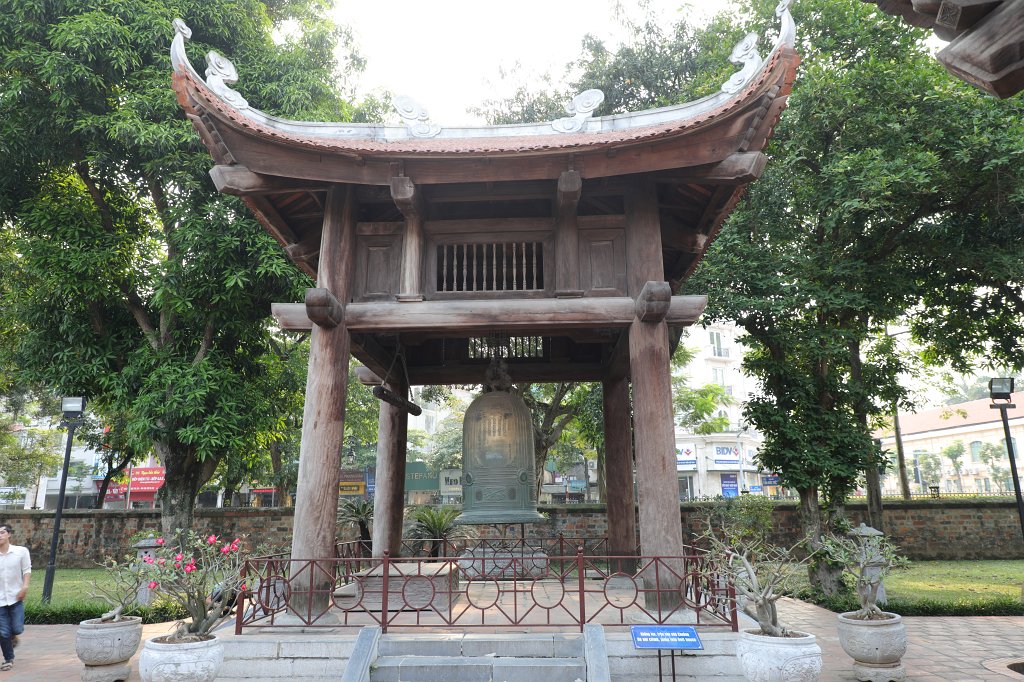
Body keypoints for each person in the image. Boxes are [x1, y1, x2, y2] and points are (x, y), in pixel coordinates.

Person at [0, 525, 30, 672]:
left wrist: (24, 587)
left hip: (15, 597)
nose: (0, 535)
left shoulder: (21, 552)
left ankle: (13, 636)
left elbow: (27, 570)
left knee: (17, 628)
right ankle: (8, 659)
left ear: (9, 534)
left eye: (2, 532)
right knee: (2, 632)